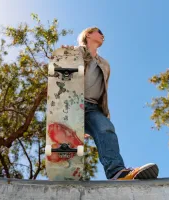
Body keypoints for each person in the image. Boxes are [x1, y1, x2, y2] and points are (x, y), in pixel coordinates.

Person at [63, 27, 159, 180]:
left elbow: (103, 92)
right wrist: (64, 56)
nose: (102, 35)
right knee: (67, 140)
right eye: (99, 32)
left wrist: (99, 117)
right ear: (88, 34)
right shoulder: (74, 52)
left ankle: (117, 173)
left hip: (93, 108)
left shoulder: (105, 64)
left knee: (106, 128)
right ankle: (63, 172)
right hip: (73, 103)